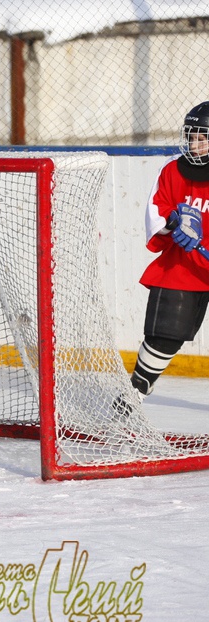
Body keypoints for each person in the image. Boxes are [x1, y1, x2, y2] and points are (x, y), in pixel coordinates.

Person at [119, 101, 209, 412]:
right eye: (191, 136)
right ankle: (137, 389)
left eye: (202, 138)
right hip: (184, 262)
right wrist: (174, 227)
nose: (194, 144)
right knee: (164, 333)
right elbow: (158, 211)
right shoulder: (173, 169)